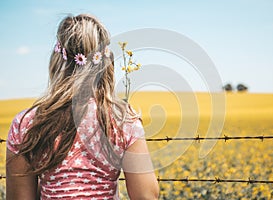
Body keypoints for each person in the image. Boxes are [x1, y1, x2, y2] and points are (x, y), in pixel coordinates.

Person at [6, 14, 159, 200]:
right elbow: (146, 196)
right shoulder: (122, 120)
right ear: (105, 62)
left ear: (57, 60)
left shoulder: (26, 123)